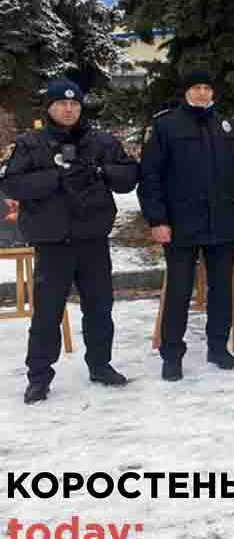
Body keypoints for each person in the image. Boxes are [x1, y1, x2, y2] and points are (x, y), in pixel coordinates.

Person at [0, 80, 139, 404]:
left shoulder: (101, 142)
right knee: (47, 314)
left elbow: (129, 176)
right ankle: (39, 377)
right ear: (49, 107)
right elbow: (13, 184)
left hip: (92, 240)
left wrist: (102, 171)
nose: (68, 109)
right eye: (61, 104)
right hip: (52, 243)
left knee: (100, 309)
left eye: (75, 104)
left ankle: (101, 365)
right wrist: (56, 177)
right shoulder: (31, 144)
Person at [139, 69, 234, 380]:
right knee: (178, 290)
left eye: (207, 87)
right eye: (197, 87)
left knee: (221, 290)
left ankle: (218, 347)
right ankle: (172, 354)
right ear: (186, 92)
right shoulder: (166, 126)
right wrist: (157, 219)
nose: (203, 93)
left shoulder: (228, 126)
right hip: (180, 225)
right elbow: (150, 177)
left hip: (222, 222)